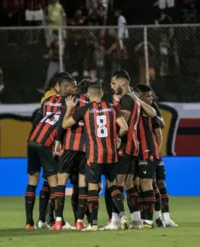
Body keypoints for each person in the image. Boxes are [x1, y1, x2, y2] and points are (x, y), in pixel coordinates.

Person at [62, 82, 129, 231]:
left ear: (88, 95)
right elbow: (125, 127)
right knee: (112, 185)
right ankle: (123, 215)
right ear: (102, 94)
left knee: (92, 187)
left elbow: (65, 125)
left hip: (94, 154)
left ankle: (93, 224)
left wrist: (69, 109)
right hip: (111, 153)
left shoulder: (84, 109)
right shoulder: (112, 107)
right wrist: (117, 137)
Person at [103, 70, 157, 230]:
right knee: (128, 184)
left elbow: (123, 126)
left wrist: (115, 140)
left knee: (114, 183)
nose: (112, 86)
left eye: (114, 83)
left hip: (123, 147)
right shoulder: (134, 99)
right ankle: (137, 220)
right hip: (134, 148)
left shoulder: (127, 100)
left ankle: (116, 220)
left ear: (123, 83)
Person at [25, 76, 76, 230]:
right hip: (46, 143)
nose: (75, 90)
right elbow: (62, 124)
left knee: (33, 179)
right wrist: (58, 141)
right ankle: (54, 220)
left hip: (32, 140)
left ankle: (30, 222)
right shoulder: (67, 104)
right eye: (73, 87)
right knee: (54, 181)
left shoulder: (47, 101)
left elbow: (36, 120)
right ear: (65, 88)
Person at [136, 85, 178, 228]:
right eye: (148, 96)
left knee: (159, 183)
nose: (151, 98)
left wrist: (158, 152)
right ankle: (157, 217)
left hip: (153, 152)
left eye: (151, 96)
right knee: (149, 185)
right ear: (139, 96)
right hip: (141, 152)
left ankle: (165, 217)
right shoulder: (134, 107)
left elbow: (160, 126)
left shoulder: (152, 107)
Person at [51, 81, 90, 231]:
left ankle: (59, 221)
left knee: (61, 182)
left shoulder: (70, 100)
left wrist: (58, 140)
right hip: (86, 148)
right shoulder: (92, 104)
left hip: (70, 146)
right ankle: (80, 222)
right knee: (82, 185)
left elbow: (62, 122)